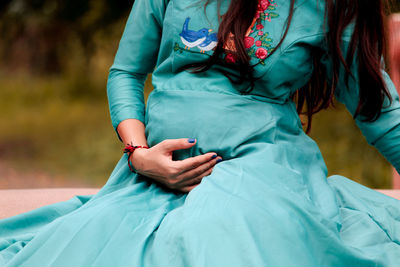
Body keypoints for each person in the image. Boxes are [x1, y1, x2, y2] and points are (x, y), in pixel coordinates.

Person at [1, 0, 400, 266]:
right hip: (151, 176)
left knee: (215, 235)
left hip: (257, 166)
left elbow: (379, 113)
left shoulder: (331, 5)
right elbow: (125, 73)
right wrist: (139, 154)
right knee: (77, 250)